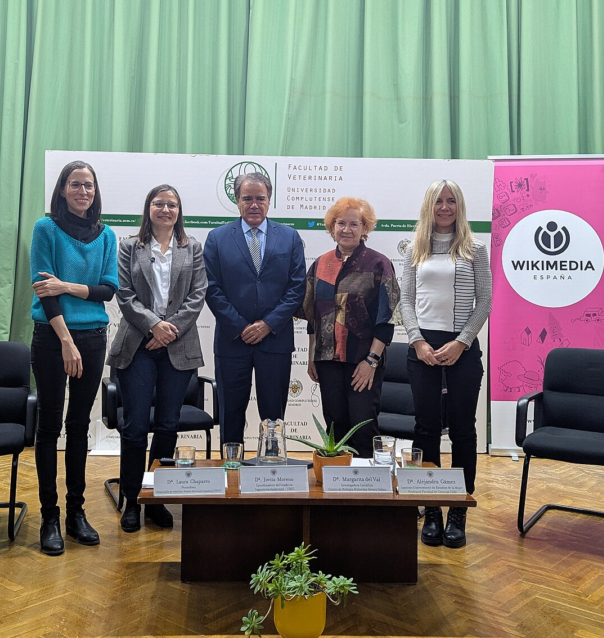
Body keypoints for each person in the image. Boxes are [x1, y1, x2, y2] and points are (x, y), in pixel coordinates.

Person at [30, 160, 118, 556]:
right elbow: (42, 291)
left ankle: (75, 514)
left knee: (79, 425)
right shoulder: (45, 228)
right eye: (75, 184)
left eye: (89, 186)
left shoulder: (107, 236)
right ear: (62, 190)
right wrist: (66, 341)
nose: (84, 191)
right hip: (52, 338)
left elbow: (107, 291)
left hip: (94, 337)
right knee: (50, 427)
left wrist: (65, 284)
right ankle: (49, 517)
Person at [108, 185, 207, 533]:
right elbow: (124, 294)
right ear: (148, 208)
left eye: (172, 204)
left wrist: (170, 330)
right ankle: (133, 501)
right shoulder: (128, 247)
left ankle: (157, 498)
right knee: (135, 428)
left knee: (167, 425)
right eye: (159, 203)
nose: (166, 209)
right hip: (137, 346)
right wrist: (154, 327)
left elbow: (198, 295)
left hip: (178, 348)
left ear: (180, 211)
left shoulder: (191, 248)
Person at [400, 179, 491, 549]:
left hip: (461, 347)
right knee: (425, 430)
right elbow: (405, 300)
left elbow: (484, 301)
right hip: (422, 348)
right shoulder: (414, 249)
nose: (445, 207)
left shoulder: (474, 249)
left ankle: (458, 509)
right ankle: (431, 509)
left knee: (463, 432)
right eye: (438, 201)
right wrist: (418, 341)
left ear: (460, 206)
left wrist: (461, 342)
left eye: (451, 201)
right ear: (429, 206)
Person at [203, 172, 306, 444]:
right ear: (237, 201)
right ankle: (231, 471)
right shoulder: (217, 238)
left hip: (275, 341)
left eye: (260, 198)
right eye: (247, 198)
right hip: (232, 341)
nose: (254, 204)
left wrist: (268, 324)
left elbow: (297, 288)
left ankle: (271, 471)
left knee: (273, 417)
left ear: (269, 200)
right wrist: (240, 327)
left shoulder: (290, 237)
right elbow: (212, 288)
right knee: (230, 412)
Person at [297, 197, 399, 458]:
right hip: (327, 359)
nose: (346, 229)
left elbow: (386, 320)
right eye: (340, 223)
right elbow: (312, 317)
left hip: (363, 360)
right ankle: (338, 489)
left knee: (363, 425)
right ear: (332, 228)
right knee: (334, 425)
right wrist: (312, 358)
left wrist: (372, 361)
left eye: (354, 224)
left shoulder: (379, 264)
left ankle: (367, 491)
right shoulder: (319, 264)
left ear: (365, 228)